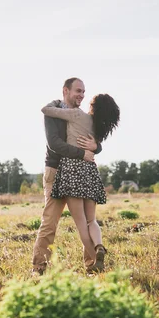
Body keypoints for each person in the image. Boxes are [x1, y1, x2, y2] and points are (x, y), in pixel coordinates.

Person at [41, 92, 120, 273]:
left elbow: (46, 110)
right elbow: (96, 146)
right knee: (91, 220)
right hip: (90, 170)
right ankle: (99, 246)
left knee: (80, 224)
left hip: (72, 169)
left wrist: (57, 101)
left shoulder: (76, 114)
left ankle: (96, 261)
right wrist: (96, 147)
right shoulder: (97, 125)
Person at [32, 77, 102, 275]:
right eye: (78, 91)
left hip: (79, 173)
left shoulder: (83, 115)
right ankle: (39, 268)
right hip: (55, 171)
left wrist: (96, 147)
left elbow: (95, 140)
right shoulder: (54, 113)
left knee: (86, 221)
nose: (81, 95)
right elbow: (54, 143)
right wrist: (82, 153)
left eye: (83, 92)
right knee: (50, 222)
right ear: (66, 91)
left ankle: (93, 266)